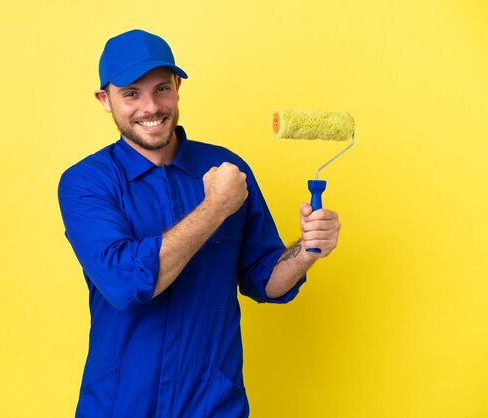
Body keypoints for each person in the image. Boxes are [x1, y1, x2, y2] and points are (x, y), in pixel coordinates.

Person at [58, 29, 341, 418]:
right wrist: (214, 208)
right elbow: (126, 282)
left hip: (212, 404)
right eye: (130, 94)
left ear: (177, 86)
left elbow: (265, 280)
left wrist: (308, 250)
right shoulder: (86, 183)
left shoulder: (227, 168)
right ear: (105, 100)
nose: (150, 107)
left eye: (161, 89)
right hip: (121, 405)